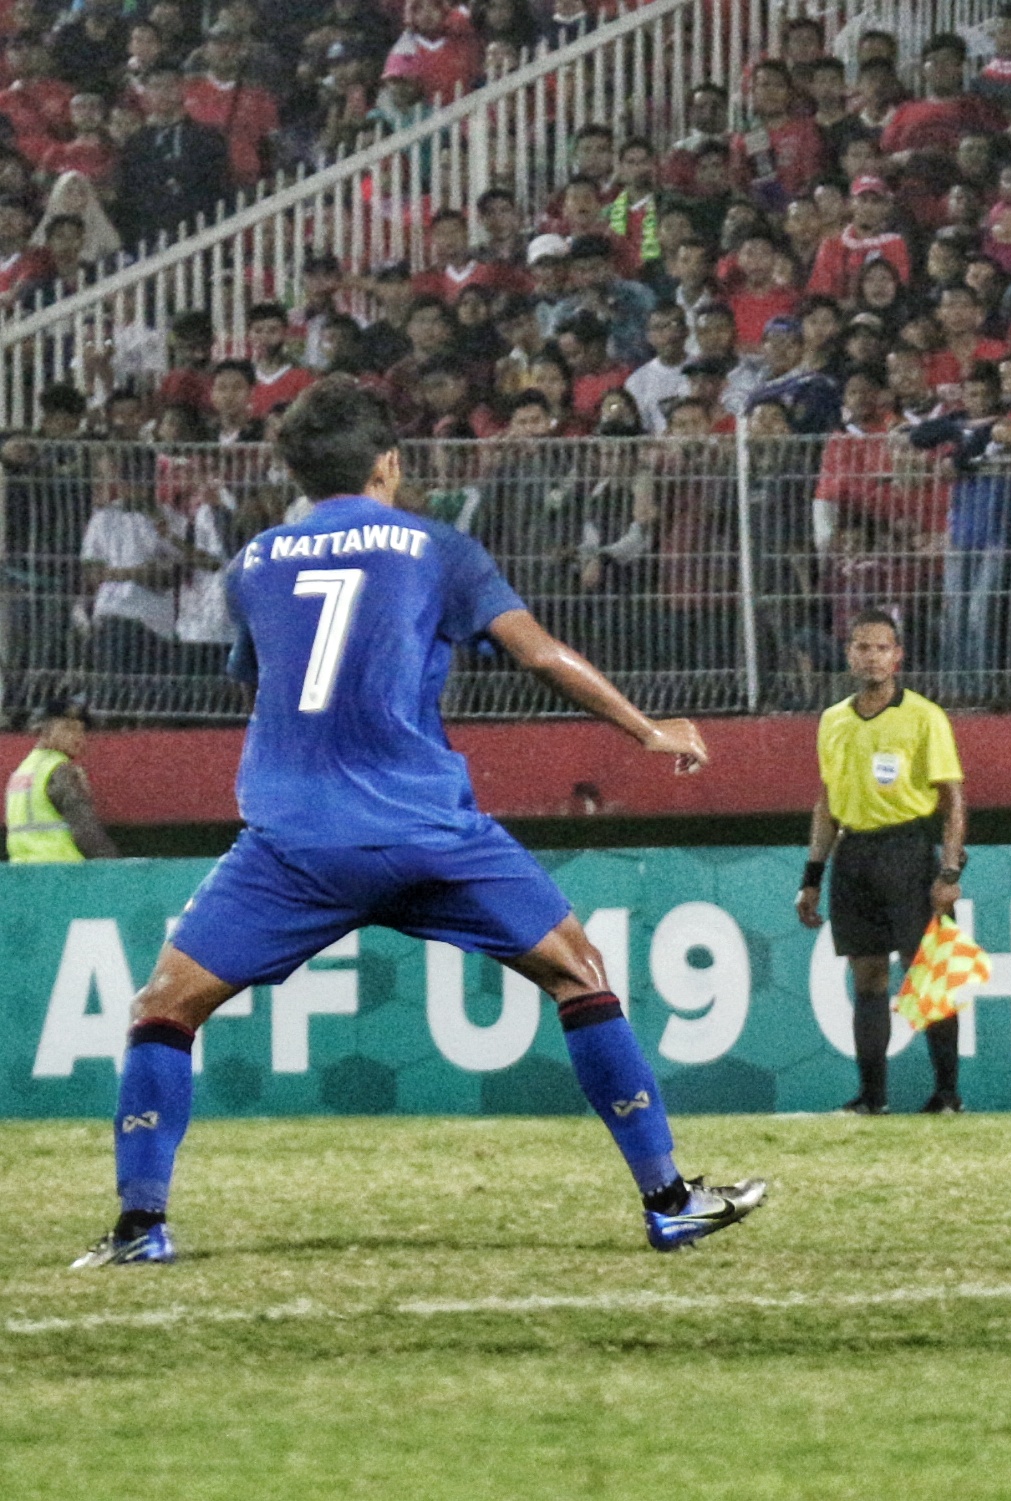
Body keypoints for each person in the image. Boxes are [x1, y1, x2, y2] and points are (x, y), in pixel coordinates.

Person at [71, 378, 763, 1269]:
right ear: (389, 462)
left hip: (295, 843)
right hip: (427, 829)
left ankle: (139, 1226)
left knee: (164, 1006)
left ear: (297, 469)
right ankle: (669, 1202)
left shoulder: (252, 562)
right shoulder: (437, 547)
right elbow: (538, 653)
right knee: (579, 974)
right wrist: (646, 728)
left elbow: (261, 673)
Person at [797, 609, 970, 1115]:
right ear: (849, 655)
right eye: (862, 647)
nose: (872, 656)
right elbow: (827, 802)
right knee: (867, 975)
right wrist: (812, 877)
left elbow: (953, 798)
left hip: (908, 852)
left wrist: (950, 870)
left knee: (931, 974)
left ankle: (947, 1094)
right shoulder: (832, 721)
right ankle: (871, 1098)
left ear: (898, 656)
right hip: (854, 853)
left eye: (881, 648)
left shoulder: (923, 716)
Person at [5, 700, 117, 862]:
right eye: (68, 728)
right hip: (63, 873)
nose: (78, 737)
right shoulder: (60, 770)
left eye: (82, 730)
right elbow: (86, 831)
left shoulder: (22, 771)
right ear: (45, 731)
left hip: (23, 875)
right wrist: (115, 868)